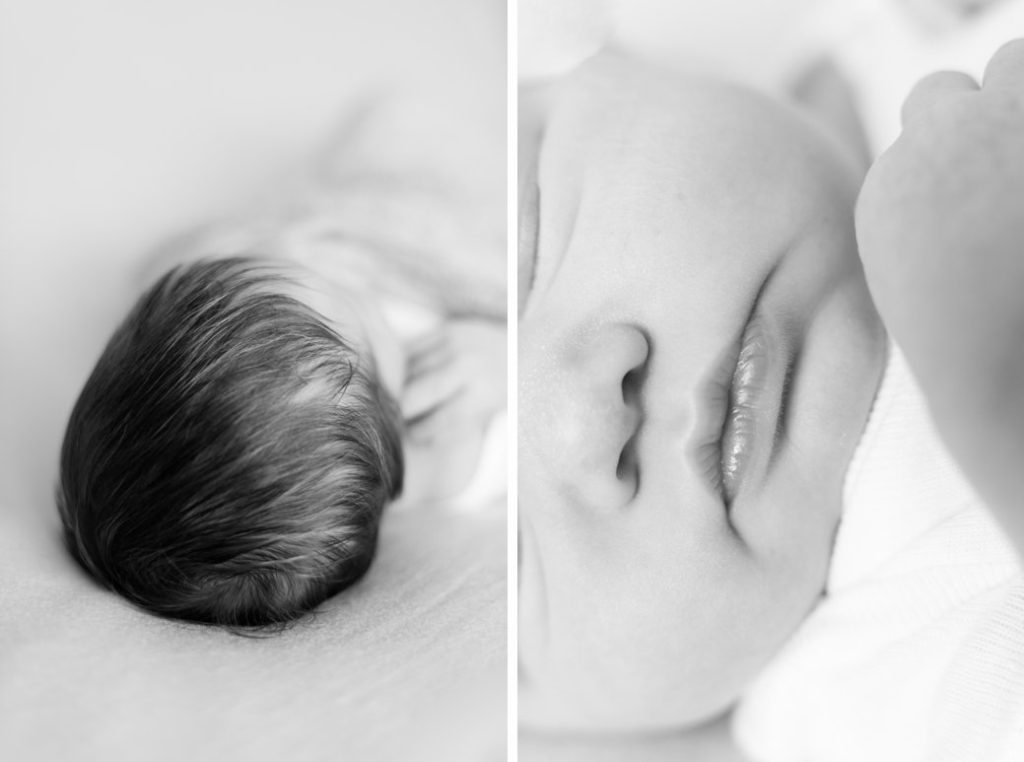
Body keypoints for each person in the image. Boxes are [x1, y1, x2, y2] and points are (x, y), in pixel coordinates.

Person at [518, 44, 1024, 759]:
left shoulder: (921, 43)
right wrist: (998, 391)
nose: (585, 421)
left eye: (533, 240)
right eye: (514, 561)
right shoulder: (867, 703)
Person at [57, 96, 506, 629]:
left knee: (388, 131)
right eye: (354, 303)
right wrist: (501, 356)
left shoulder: (223, 285)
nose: (348, 280)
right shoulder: (442, 441)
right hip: (450, 254)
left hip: (342, 206)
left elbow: (179, 271)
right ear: (395, 444)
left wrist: (256, 258)